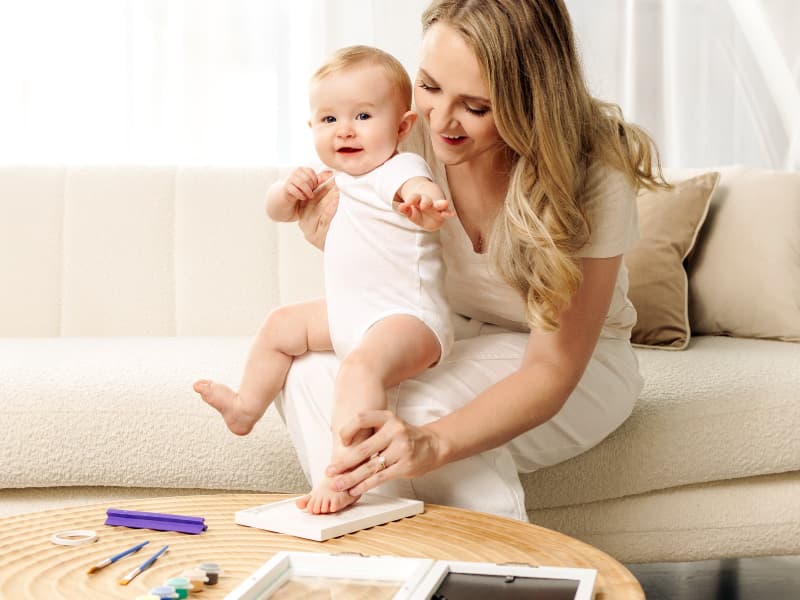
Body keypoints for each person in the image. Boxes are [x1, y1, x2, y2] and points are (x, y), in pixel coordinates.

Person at [276, 0, 669, 522]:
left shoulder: (591, 175)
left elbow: (552, 369)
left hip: (578, 366)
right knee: (304, 375)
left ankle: (505, 575)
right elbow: (388, 269)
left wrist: (431, 444)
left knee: (419, 410)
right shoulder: (403, 133)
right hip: (451, 331)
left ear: (532, 101)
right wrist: (334, 231)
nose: (441, 120)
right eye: (430, 86)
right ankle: (382, 559)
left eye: (476, 107)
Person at [193, 45, 455, 514]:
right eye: (329, 120)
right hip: (353, 316)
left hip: (408, 317)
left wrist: (426, 205)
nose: (345, 130)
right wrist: (284, 192)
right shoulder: (331, 178)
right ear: (312, 127)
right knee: (281, 325)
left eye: (362, 115)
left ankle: (346, 474)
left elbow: (416, 188)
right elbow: (276, 211)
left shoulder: (397, 168)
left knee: (358, 370)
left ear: (401, 127)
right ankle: (244, 408)